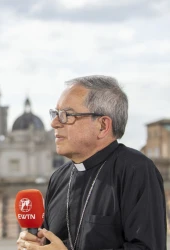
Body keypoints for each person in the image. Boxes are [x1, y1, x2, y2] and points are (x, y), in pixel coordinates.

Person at [17, 75, 166, 250]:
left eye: (67, 115)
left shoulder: (136, 170)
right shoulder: (59, 177)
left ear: (103, 125)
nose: (54, 123)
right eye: (56, 114)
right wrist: (38, 244)